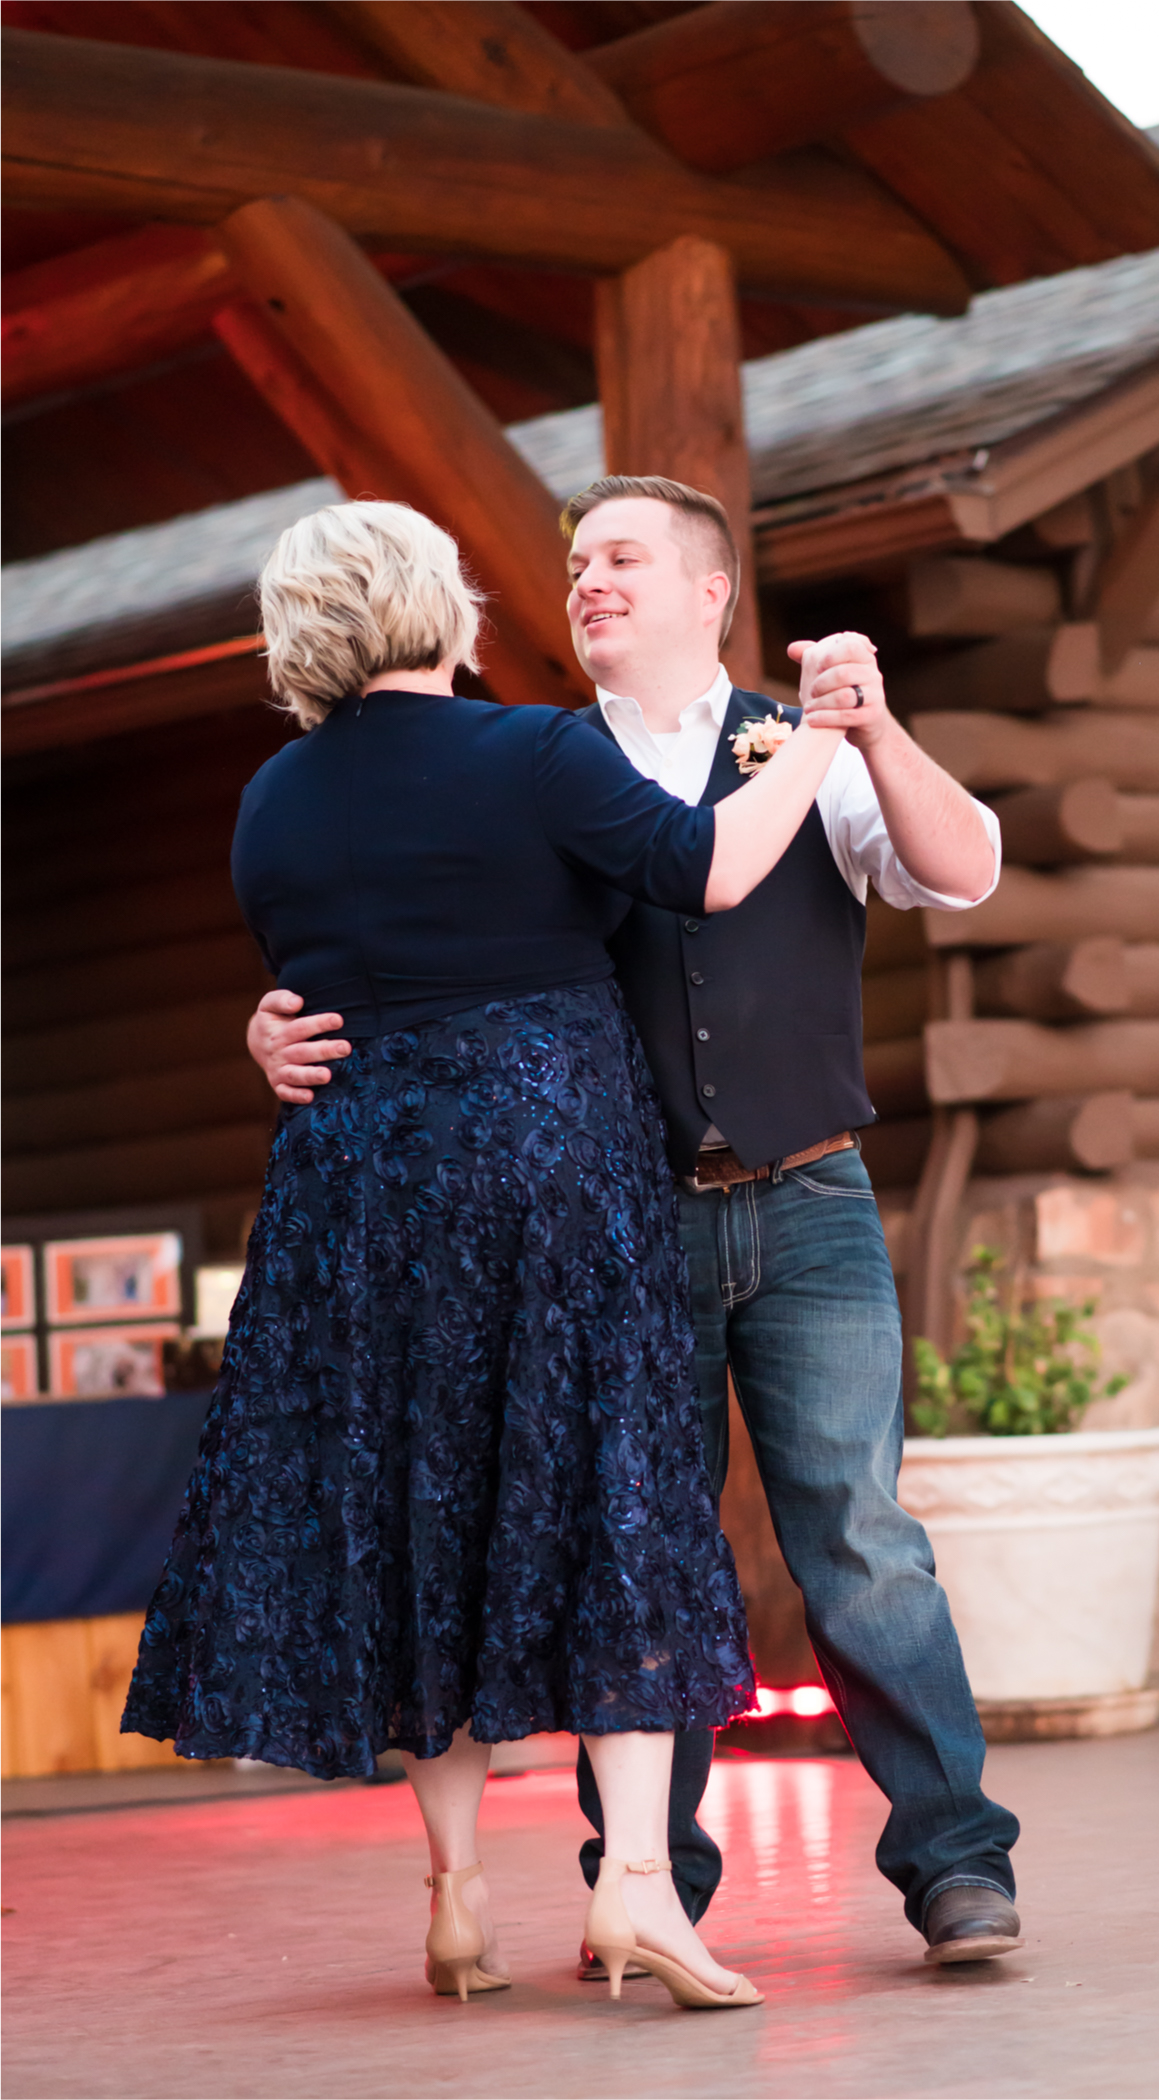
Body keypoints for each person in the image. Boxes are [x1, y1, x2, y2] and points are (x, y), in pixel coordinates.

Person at [250, 475, 1024, 1970]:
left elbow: (968, 867)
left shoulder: (799, 741)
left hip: (808, 1202)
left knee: (863, 1541)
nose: (586, 581)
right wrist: (271, 1031)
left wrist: (867, 728)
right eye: (573, 562)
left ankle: (956, 1867)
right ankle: (652, 1886)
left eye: (620, 557)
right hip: (614, 1230)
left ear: (709, 589)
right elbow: (409, 948)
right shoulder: (532, 761)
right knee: (640, 1541)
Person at [123, 498, 866, 2013]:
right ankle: (640, 1891)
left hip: (357, 1195)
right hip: (549, 1171)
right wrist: (820, 737)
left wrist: (270, 1034)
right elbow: (710, 869)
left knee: (423, 1515)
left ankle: (457, 1899)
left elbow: (312, 986)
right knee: (621, 1499)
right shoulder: (532, 750)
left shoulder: (270, 801)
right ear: (434, 611)